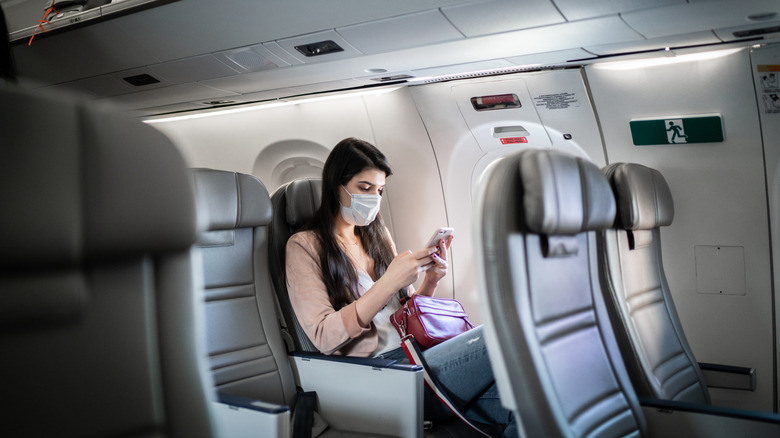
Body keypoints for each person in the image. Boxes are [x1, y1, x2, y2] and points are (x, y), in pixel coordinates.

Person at [286, 137, 515, 436]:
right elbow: (323, 335)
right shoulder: (305, 246)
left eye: (379, 191)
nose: (373, 198)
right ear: (335, 186)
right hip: (379, 372)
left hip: (414, 354)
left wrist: (430, 280)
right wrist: (388, 282)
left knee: (528, 403)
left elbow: (403, 314)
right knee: (500, 332)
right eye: (364, 188)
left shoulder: (376, 237)